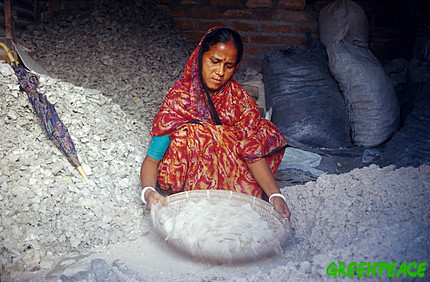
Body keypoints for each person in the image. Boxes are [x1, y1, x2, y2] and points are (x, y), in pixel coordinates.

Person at [140, 27, 291, 220]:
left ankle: (232, 198)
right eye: (214, 61)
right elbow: (153, 159)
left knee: (262, 132)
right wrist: (148, 192)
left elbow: (252, 153)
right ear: (200, 58)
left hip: (230, 182)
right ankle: (192, 201)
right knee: (192, 134)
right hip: (187, 186)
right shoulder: (180, 99)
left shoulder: (239, 101)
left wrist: (275, 195)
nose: (220, 72)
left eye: (228, 66)